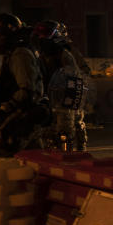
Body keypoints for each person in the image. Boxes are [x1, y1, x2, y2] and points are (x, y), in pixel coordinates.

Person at [0, 13, 47, 156]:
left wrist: (5, 109)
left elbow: (27, 90)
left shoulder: (20, 54)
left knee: (12, 165)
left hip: (19, 120)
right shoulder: (15, 52)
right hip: (17, 119)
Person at [31, 20, 90, 152]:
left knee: (69, 128)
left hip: (66, 96)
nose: (41, 38)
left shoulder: (66, 53)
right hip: (48, 96)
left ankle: (76, 153)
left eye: (44, 34)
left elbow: (79, 74)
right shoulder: (39, 54)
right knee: (47, 131)